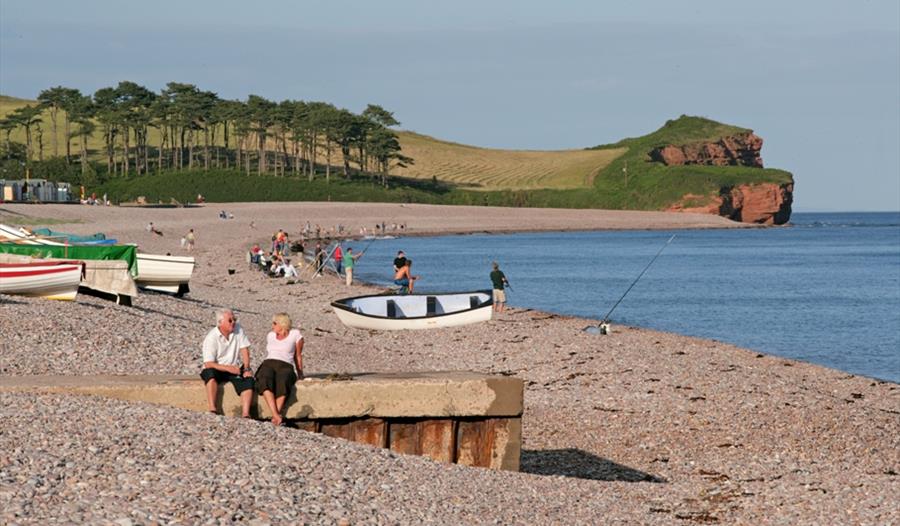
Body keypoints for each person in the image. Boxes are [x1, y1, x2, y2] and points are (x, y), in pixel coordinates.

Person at [200, 308, 255, 417]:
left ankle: (245, 413)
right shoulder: (211, 337)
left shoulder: (238, 329)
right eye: (230, 320)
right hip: (217, 368)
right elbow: (208, 363)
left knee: (248, 380)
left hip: (233, 368)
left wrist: (247, 368)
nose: (233, 322)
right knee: (209, 374)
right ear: (220, 323)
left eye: (234, 319)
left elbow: (244, 349)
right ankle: (212, 408)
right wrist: (228, 368)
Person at [255, 313, 304, 426]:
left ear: (282, 324)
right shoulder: (270, 335)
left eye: (274, 323)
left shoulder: (295, 334)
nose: (272, 326)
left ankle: (274, 416)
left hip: (286, 364)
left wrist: (300, 372)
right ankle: (276, 415)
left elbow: (298, 356)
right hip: (269, 362)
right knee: (265, 378)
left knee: (284, 379)